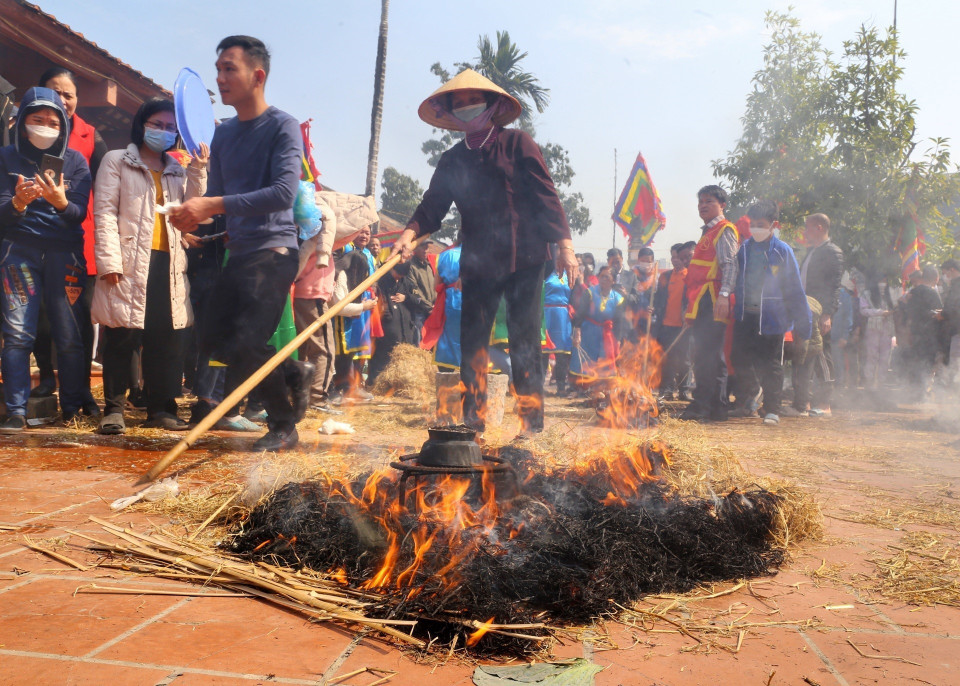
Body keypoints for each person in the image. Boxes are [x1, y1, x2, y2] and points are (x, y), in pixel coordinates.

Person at [391, 69, 577, 434]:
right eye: (457, 104)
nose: (465, 108)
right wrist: (410, 233)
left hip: (525, 258)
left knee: (525, 342)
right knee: (472, 342)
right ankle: (472, 425)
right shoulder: (452, 160)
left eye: (472, 102)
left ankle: (531, 426)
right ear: (449, 113)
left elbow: (546, 197)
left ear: (492, 106)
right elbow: (432, 208)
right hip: (478, 260)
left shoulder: (518, 143)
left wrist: (565, 245)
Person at [168, 35, 313, 451]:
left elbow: (284, 193)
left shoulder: (282, 126)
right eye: (218, 69)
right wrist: (194, 218)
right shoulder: (224, 135)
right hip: (240, 252)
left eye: (229, 68)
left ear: (258, 75)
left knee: (249, 340)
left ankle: (283, 424)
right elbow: (220, 200)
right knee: (213, 340)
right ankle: (290, 373)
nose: (221, 77)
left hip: (275, 252)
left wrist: (211, 203)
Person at [91, 98, 208, 434]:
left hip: (169, 261)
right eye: (157, 124)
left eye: (171, 128)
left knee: (167, 337)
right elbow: (105, 213)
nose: (163, 132)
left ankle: (162, 408)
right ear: (142, 124)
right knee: (121, 335)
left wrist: (199, 168)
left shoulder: (176, 169)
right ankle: (114, 409)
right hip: (128, 262)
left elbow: (193, 210)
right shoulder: (117, 161)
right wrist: (110, 261)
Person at [0, 87, 91, 433]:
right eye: (37, 120)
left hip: (64, 253)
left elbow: (78, 213)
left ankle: (71, 409)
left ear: (64, 127)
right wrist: (18, 204)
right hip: (18, 253)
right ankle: (17, 411)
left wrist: (60, 202)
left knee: (68, 335)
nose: (45, 126)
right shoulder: (5, 157)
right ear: (23, 123)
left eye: (54, 122)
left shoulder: (76, 162)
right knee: (18, 334)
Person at [31, 68, 108, 415]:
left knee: (78, 319)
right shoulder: (24, 129)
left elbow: (107, 190)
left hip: (79, 240)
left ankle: (80, 395)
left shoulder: (92, 137)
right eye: (55, 92)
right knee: (39, 319)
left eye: (69, 94)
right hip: (31, 241)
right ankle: (47, 377)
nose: (62, 101)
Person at [729, 200, 811, 425]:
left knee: (771, 364)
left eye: (761, 224)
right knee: (740, 358)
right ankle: (748, 401)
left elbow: (795, 288)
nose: (755, 228)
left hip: (772, 318)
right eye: (752, 224)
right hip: (746, 315)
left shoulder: (782, 251)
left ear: (773, 225)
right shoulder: (744, 249)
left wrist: (804, 324)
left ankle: (772, 408)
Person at [680, 185, 738, 422]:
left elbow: (730, 265)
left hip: (714, 299)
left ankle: (702, 405)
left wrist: (724, 295)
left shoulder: (724, 230)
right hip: (702, 301)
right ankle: (717, 407)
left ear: (722, 205)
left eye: (709, 201)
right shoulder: (707, 232)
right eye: (700, 201)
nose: (703, 205)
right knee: (709, 354)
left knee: (708, 355)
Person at [799, 213, 844, 414]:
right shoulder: (812, 252)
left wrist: (827, 314)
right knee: (806, 356)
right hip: (805, 310)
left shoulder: (832, 252)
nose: (805, 232)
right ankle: (804, 402)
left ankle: (825, 404)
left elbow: (834, 287)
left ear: (819, 227)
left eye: (807, 227)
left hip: (820, 312)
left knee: (822, 355)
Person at [332, 226, 377, 402]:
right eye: (361, 231)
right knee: (340, 350)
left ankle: (350, 386)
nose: (364, 236)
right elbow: (340, 306)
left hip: (358, 307)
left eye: (368, 232)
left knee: (351, 349)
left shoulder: (366, 256)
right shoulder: (342, 263)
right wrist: (362, 307)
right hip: (343, 314)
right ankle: (335, 388)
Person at [570, 265, 623, 383]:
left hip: (606, 333)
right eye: (602, 276)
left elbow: (619, 322)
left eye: (607, 277)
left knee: (604, 360)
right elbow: (580, 314)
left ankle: (602, 386)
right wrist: (577, 331)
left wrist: (617, 340)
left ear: (613, 281)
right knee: (587, 360)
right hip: (589, 331)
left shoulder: (618, 298)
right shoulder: (589, 292)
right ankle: (583, 386)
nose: (604, 279)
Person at [368, 261, 417, 386]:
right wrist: (388, 315)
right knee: (383, 354)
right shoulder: (381, 280)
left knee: (401, 354)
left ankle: (398, 384)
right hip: (387, 324)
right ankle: (376, 383)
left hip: (405, 325)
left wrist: (405, 298)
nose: (399, 277)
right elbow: (379, 300)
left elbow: (417, 300)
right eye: (398, 274)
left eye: (402, 275)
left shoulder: (405, 281)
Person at [654, 243, 692, 400]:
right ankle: (667, 390)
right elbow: (658, 299)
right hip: (666, 325)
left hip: (684, 325)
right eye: (673, 257)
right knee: (667, 358)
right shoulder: (665, 277)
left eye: (678, 257)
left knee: (685, 359)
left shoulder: (690, 276)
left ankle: (684, 390)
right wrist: (654, 308)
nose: (675, 260)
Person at [901, 265, 943, 397]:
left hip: (914, 332)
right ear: (936, 278)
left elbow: (906, 312)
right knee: (927, 364)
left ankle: (914, 393)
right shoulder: (932, 293)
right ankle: (922, 394)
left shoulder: (912, 292)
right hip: (930, 335)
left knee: (916, 362)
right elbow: (940, 315)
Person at [421, 242, 463, 371]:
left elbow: (436, 286)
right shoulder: (482, 255)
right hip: (475, 301)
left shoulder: (445, 255)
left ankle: (446, 377)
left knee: (447, 339)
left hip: (449, 301)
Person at [859, 277, 897, 389]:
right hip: (873, 329)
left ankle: (881, 383)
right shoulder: (867, 294)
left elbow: (895, 307)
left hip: (888, 330)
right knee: (872, 356)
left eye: (885, 281)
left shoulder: (891, 293)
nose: (883, 283)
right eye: (881, 280)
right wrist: (880, 312)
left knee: (885, 358)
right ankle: (869, 382)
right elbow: (863, 310)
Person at [542, 270, 573, 395]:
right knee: (543, 352)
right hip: (547, 312)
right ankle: (539, 386)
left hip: (563, 315)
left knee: (562, 353)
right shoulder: (546, 272)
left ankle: (561, 388)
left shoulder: (569, 274)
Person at [621, 246, 656, 344]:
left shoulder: (656, 278)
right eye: (643, 261)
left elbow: (660, 300)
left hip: (649, 321)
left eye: (648, 261)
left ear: (652, 261)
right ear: (638, 260)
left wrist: (654, 308)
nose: (646, 264)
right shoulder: (630, 275)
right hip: (631, 320)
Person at [405, 238, 437, 344]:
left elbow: (435, 287)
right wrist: (428, 307)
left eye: (427, 248)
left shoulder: (429, 266)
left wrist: (435, 305)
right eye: (423, 247)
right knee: (418, 342)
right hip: (419, 311)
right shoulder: (410, 266)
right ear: (415, 249)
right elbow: (414, 290)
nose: (425, 250)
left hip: (432, 310)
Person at [940, 259, 960, 387]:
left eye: (945, 273)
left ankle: (955, 390)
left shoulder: (956, 284)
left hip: (958, 329)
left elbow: (954, 306)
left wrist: (942, 314)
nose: (945, 276)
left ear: (952, 270)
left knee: (955, 361)